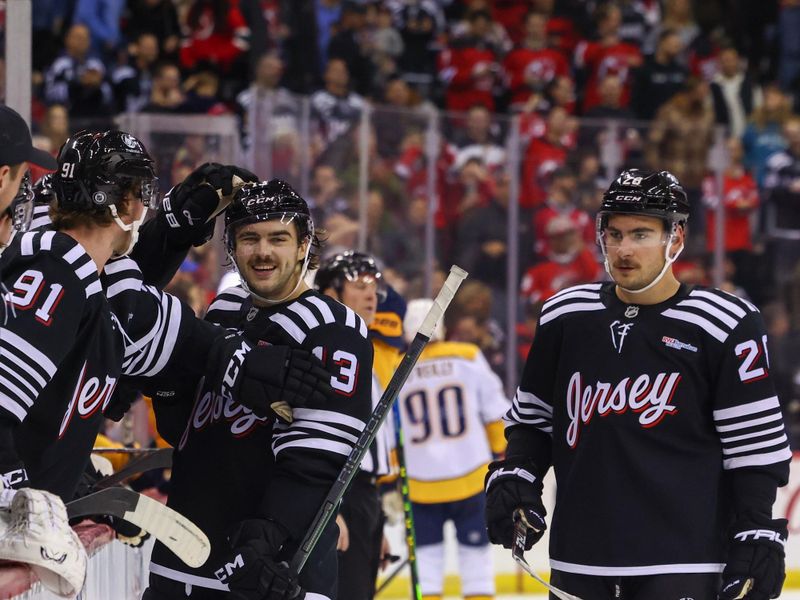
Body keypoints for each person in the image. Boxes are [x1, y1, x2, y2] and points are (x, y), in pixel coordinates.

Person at [485, 169, 791, 600]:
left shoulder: (724, 322)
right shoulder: (565, 315)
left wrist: (757, 526)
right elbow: (534, 419)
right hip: (580, 558)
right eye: (615, 234)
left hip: (685, 560)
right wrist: (518, 474)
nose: (624, 249)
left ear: (676, 238)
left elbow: (753, 445)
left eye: (641, 234)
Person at [0, 131, 327, 502]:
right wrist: (16, 495)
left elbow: (131, 314)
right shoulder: (55, 270)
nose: (145, 207)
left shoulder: (81, 277)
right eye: (142, 195)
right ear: (125, 202)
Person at [143, 180, 374, 600]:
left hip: (269, 574)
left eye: (277, 238)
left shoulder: (332, 327)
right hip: (184, 555)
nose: (262, 251)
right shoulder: (223, 309)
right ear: (232, 248)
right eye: (249, 238)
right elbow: (189, 432)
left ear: (304, 245)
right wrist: (167, 385)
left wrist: (268, 536)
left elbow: (318, 463)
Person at [398, 298, 509, 600]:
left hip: (420, 484)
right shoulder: (468, 356)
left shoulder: (397, 368)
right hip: (471, 476)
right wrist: (501, 453)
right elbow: (496, 413)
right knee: (477, 564)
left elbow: (386, 433)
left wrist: (388, 482)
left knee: (427, 568)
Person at [315, 250, 396, 600]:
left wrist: (373, 518)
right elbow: (312, 435)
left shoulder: (362, 349)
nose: (371, 295)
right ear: (331, 294)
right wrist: (327, 508)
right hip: (337, 495)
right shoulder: (327, 351)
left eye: (374, 287)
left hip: (363, 498)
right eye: (360, 285)